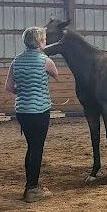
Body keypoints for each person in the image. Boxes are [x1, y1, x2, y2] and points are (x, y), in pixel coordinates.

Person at [4, 27, 58, 203]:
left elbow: (9, 87)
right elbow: (56, 75)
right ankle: (32, 189)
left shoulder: (16, 61)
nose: (46, 42)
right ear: (39, 42)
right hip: (40, 111)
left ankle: (31, 185)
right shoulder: (46, 61)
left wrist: (24, 90)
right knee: (37, 148)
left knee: (31, 146)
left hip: (22, 111)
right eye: (44, 40)